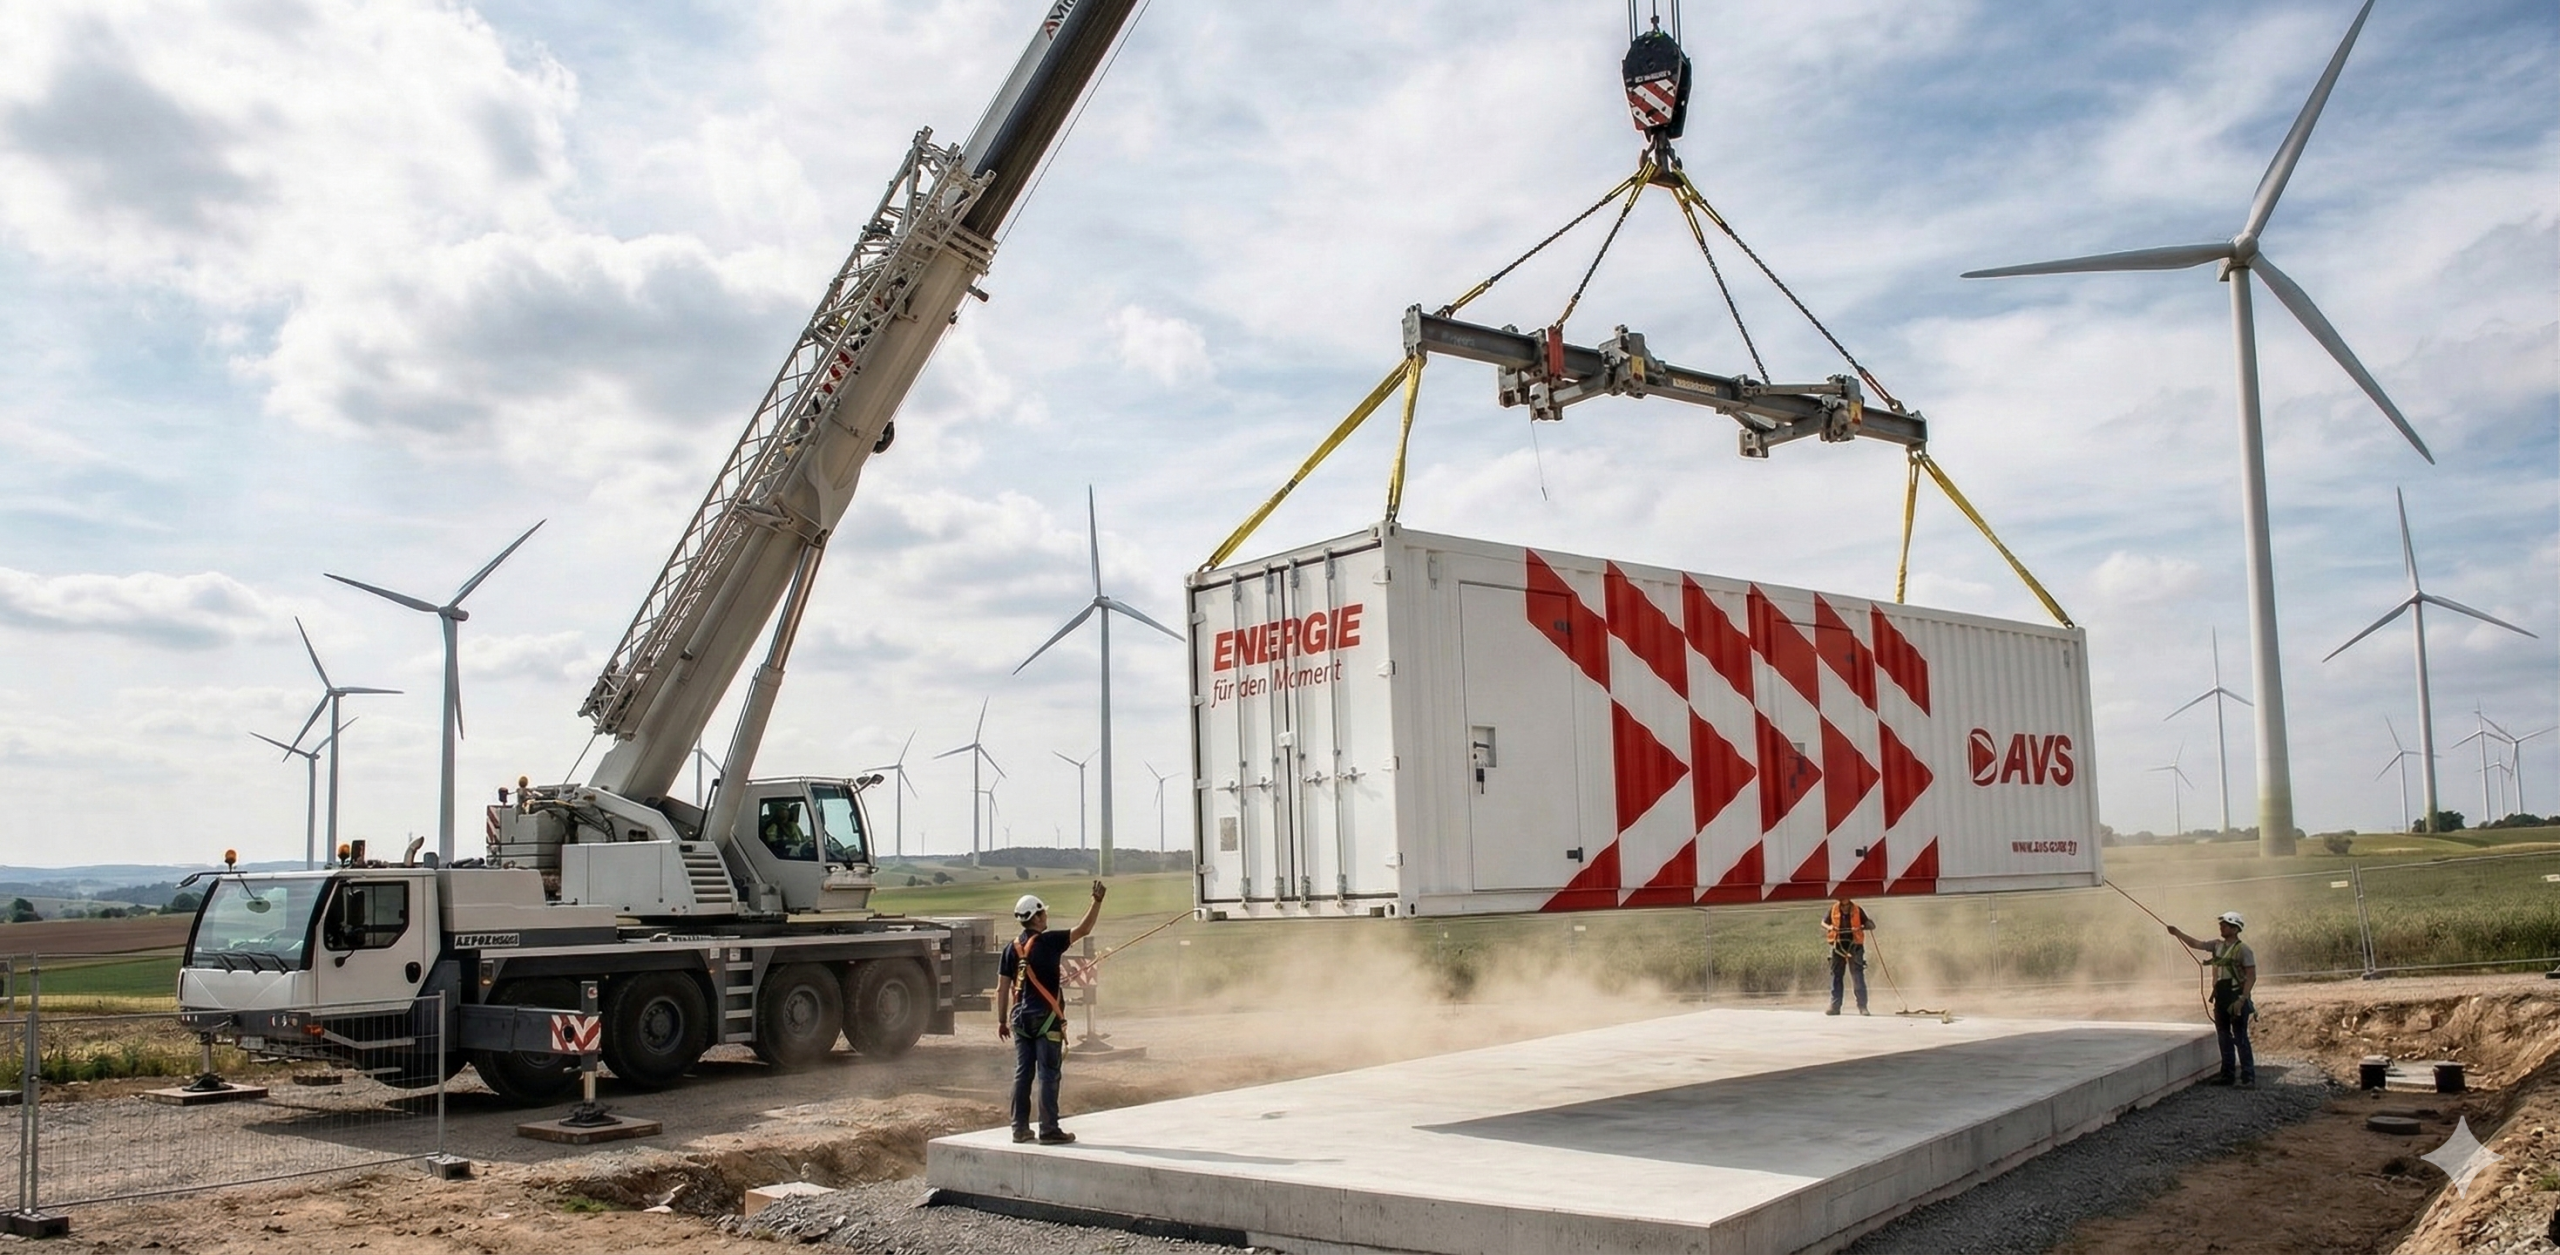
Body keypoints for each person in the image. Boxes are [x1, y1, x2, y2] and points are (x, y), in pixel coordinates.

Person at [998, 880, 1105, 1145]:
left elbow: (1002, 988)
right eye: (1043, 912)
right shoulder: (1050, 941)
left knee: (1023, 1073)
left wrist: (1001, 1021)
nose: (1046, 916)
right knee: (1048, 1074)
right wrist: (1096, 902)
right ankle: (1048, 1130)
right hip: (1046, 1020)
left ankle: (1019, 1129)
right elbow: (1084, 929)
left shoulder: (1011, 948)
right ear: (1036, 917)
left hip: (1020, 1020)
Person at [2168, 910, 2256, 1087]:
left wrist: (2242, 1000)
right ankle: (2227, 1075)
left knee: (2240, 1037)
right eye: (2221, 924)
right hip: (2221, 997)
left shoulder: (2243, 950)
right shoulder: (2216, 945)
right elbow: (2196, 944)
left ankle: (2248, 1077)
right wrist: (2177, 933)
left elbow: (2251, 976)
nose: (2221, 927)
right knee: (2223, 1036)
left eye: (2225, 925)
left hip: (2236, 997)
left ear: (2235, 928)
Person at [1824, 893, 1875, 1016]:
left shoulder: (1858, 910)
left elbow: (1868, 924)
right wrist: (1830, 927)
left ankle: (1862, 1007)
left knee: (1857, 976)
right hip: (1838, 946)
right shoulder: (1833, 909)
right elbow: (1824, 922)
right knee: (1836, 976)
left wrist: (1865, 926)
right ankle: (1835, 1006)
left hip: (1855, 946)